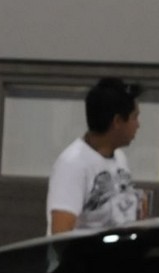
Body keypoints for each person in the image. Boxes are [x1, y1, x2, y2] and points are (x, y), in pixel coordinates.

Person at [47, 77, 140, 235]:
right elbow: (60, 233)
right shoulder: (72, 164)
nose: (138, 125)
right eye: (134, 117)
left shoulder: (120, 158)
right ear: (117, 121)